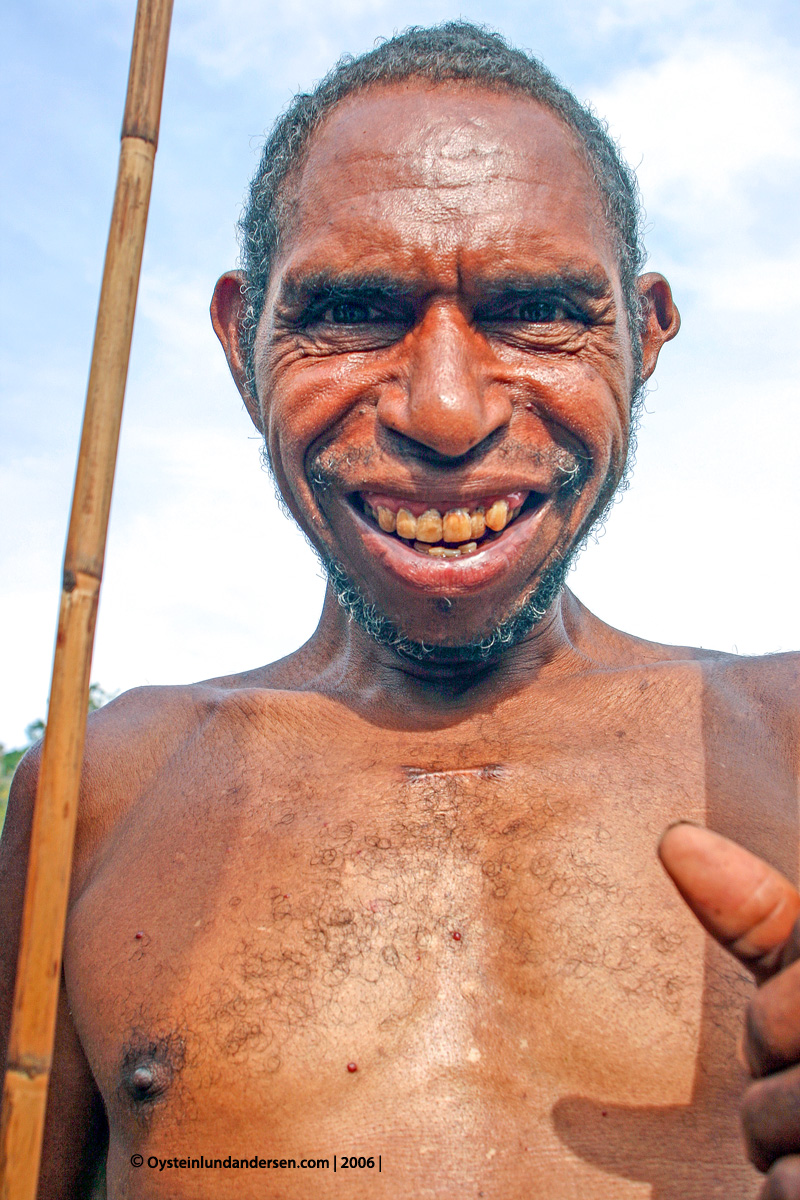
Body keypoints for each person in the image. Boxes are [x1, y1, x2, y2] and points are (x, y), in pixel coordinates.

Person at [2, 22, 799, 1200]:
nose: (442, 410)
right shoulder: (103, 782)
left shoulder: (784, 739)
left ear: (644, 336)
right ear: (240, 341)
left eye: (534, 311)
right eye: (356, 312)